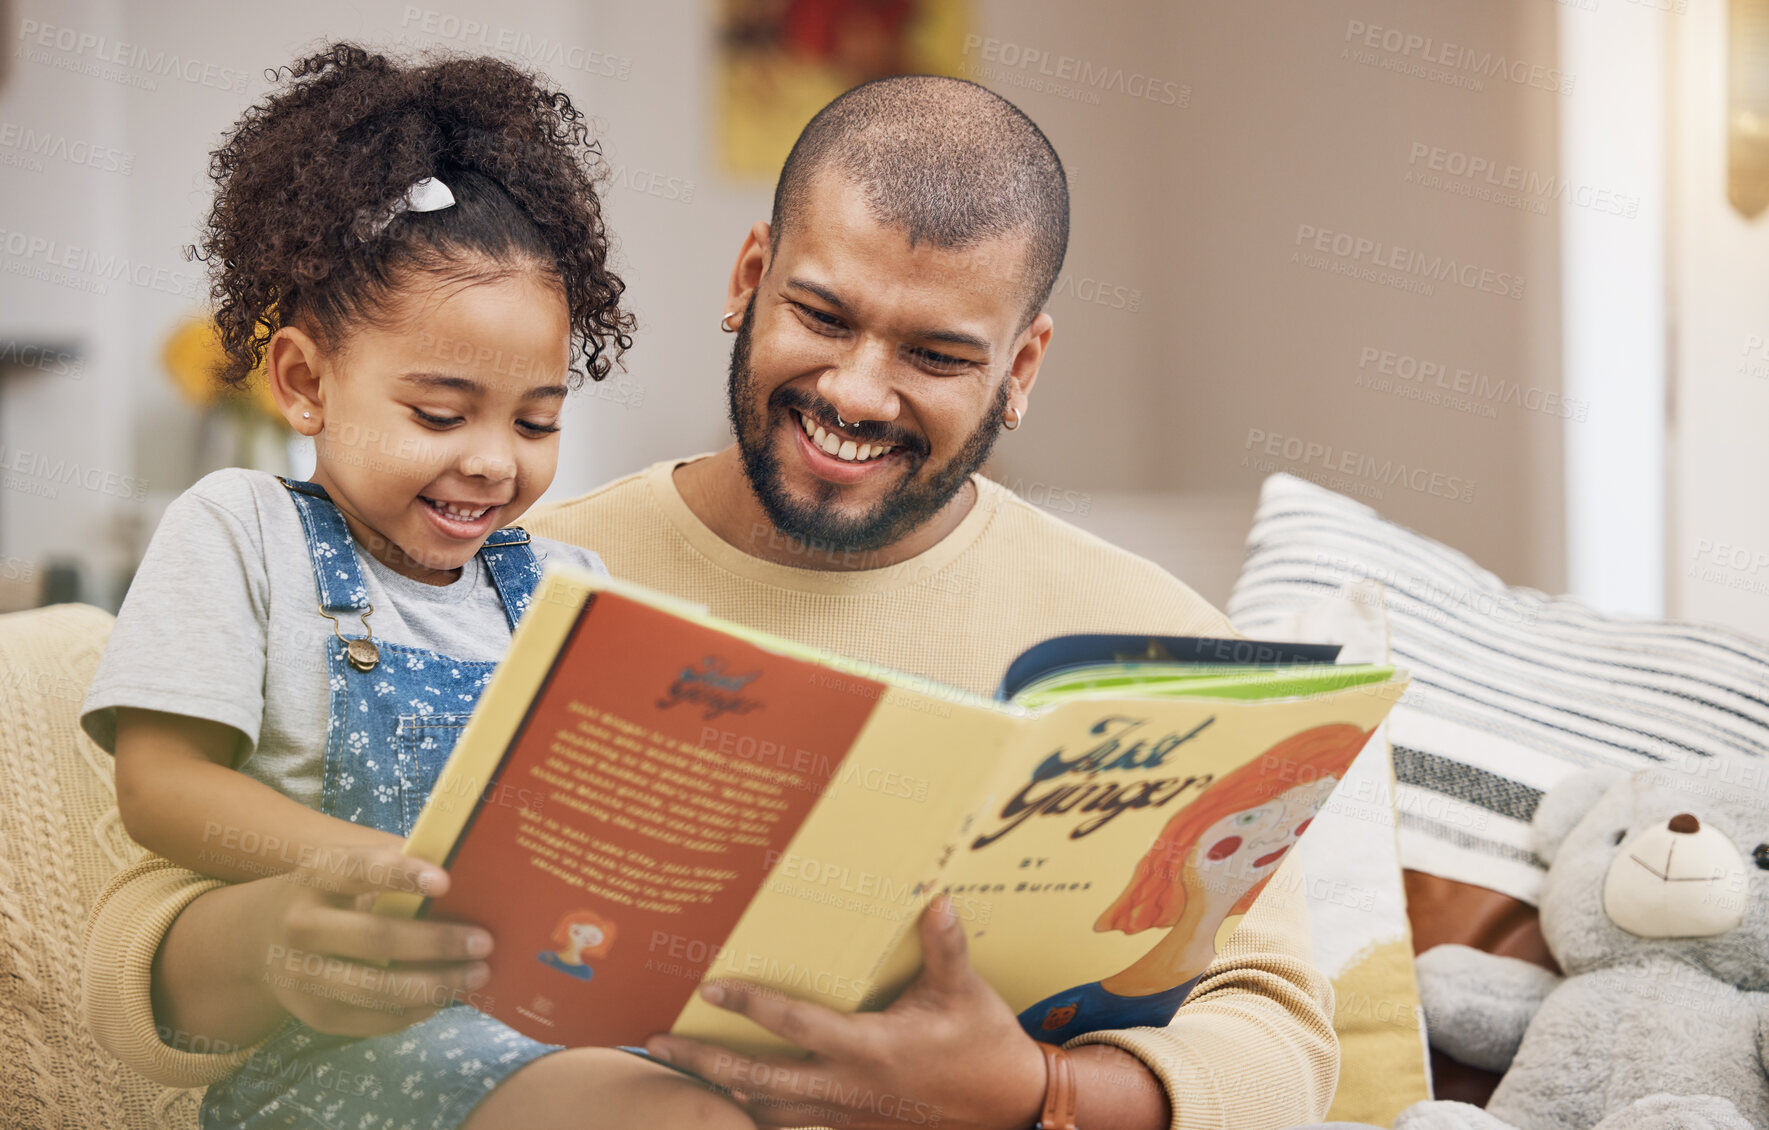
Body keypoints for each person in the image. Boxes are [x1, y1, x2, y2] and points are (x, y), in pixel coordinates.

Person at [84, 74, 1340, 1130]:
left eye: (938, 354)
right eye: (820, 313)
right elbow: (142, 921)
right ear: (749, 276)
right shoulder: (513, 564)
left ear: (1021, 369)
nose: (857, 390)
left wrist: (1034, 1089)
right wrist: (273, 947)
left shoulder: (1149, 640)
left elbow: (1283, 1036)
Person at [78, 42, 750, 1130]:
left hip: (557, 1019)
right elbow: (161, 784)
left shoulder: (570, 586)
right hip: (347, 1049)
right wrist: (383, 866)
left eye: (536, 419)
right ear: (304, 381)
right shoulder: (242, 533)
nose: (494, 458)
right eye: (440, 414)